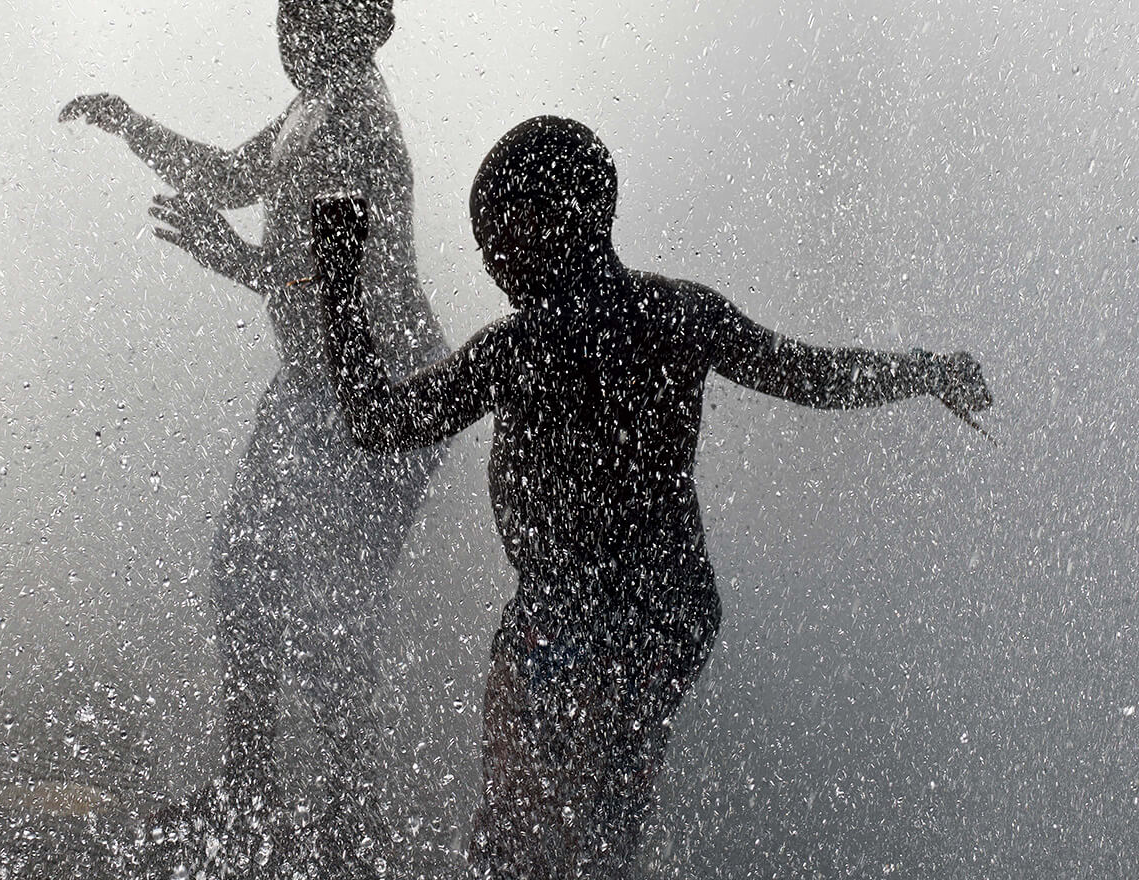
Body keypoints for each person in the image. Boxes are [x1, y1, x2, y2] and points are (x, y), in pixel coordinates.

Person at [310, 115, 993, 880]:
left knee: (551, 832)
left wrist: (339, 281)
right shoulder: (651, 320)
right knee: (556, 828)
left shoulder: (554, 341)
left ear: (551, 218)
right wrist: (924, 371)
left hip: (617, 611)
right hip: (609, 607)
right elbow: (811, 377)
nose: (492, 261)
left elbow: (377, 422)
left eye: (496, 234)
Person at [59, 0, 446, 876]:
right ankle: (251, 787)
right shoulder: (315, 106)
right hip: (320, 389)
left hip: (374, 396)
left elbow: (338, 287)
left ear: (365, 21)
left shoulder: (355, 118)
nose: (286, 24)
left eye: (305, 5)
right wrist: (127, 123)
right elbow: (233, 180)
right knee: (248, 576)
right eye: (286, 4)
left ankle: (345, 820)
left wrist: (230, 258)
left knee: (330, 607)